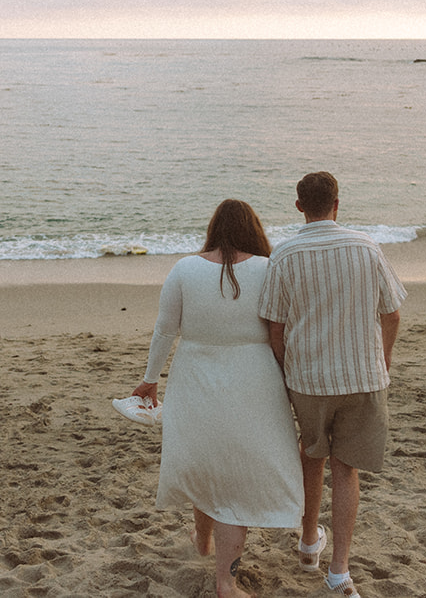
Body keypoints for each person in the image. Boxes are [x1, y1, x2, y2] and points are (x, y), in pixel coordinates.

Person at [128, 199, 304, 598]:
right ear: (253, 230)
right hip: (255, 378)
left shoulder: (185, 268)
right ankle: (226, 582)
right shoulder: (269, 268)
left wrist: (149, 380)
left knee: (208, 460)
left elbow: (163, 330)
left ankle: (203, 541)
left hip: (195, 375)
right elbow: (286, 329)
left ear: (213, 229)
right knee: (237, 480)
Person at [260, 172, 406, 598]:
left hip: (308, 378)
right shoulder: (367, 247)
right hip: (362, 374)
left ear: (299, 206)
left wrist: (288, 371)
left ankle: (308, 545)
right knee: (347, 469)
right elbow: (392, 313)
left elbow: (274, 327)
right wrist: (385, 358)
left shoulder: (285, 255)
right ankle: (339, 570)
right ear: (338, 203)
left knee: (312, 455)